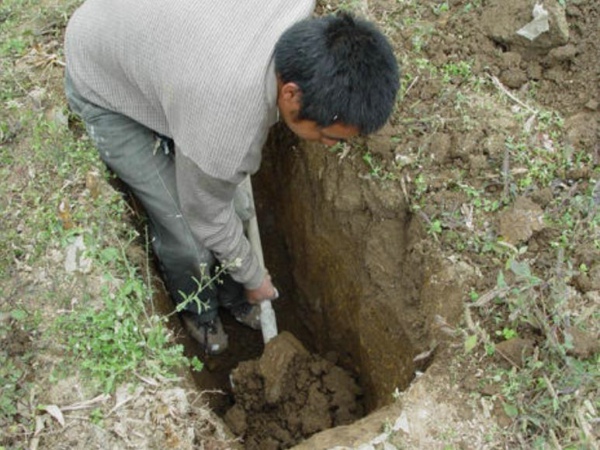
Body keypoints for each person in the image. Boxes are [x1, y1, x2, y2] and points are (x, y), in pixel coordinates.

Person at [64, 0, 399, 355]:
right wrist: (255, 279)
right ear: (291, 94)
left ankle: (231, 292)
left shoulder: (295, 8)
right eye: (330, 135)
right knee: (189, 236)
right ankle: (200, 311)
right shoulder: (226, 127)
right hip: (105, 81)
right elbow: (205, 215)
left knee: (234, 207)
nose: (330, 146)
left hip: (162, 59)